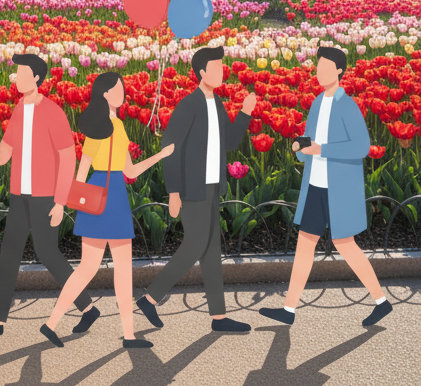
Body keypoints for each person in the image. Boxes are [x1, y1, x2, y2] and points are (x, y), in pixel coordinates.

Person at [0, 53, 101, 338]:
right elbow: (3, 157)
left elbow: (67, 159)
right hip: (20, 197)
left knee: (48, 254)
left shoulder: (52, 111)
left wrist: (60, 202)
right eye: (17, 73)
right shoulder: (18, 110)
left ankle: (88, 308)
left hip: (45, 198)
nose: (17, 78)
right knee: (9, 255)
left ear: (37, 78)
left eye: (23, 73)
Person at [259, 47, 392, 328]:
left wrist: (322, 149)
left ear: (339, 71)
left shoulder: (348, 105)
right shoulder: (318, 102)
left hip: (339, 188)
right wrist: (300, 147)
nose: (319, 73)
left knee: (345, 245)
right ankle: (289, 309)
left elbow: (362, 147)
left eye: (325, 68)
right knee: (305, 244)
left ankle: (381, 301)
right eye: (318, 68)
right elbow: (311, 142)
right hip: (315, 185)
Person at [42, 72, 175, 348]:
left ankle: (52, 323)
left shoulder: (110, 126)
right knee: (121, 270)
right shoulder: (107, 127)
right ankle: (127, 336)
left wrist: (160, 156)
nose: (122, 92)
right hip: (111, 197)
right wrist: (64, 201)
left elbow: (127, 170)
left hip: (96, 197)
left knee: (88, 269)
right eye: (117, 88)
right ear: (104, 94)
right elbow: (91, 168)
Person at [136, 46, 257, 334]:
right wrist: (174, 192)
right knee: (195, 244)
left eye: (222, 67)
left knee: (211, 251)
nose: (221, 72)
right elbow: (170, 150)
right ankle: (150, 298)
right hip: (192, 188)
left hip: (212, 186)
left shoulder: (216, 103)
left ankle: (218, 317)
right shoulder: (188, 105)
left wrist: (244, 113)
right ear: (202, 72)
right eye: (216, 67)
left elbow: (228, 142)